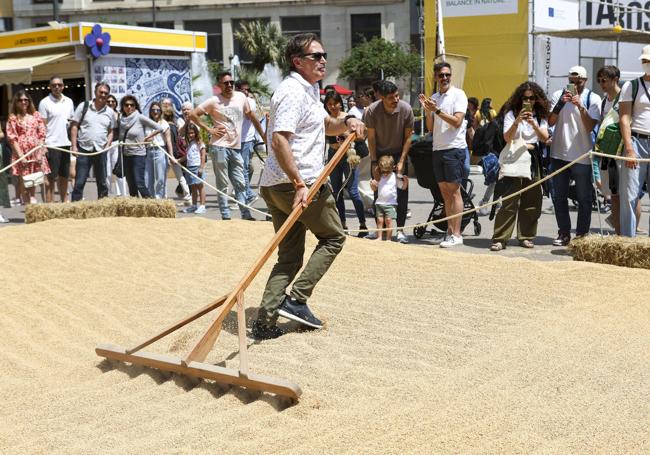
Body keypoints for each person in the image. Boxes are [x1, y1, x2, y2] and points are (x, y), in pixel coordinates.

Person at [251, 32, 365, 340]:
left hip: (278, 184)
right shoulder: (292, 91)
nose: (323, 60)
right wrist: (300, 183)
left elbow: (325, 125)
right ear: (297, 61)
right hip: (299, 184)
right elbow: (278, 140)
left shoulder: (309, 91)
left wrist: (348, 122)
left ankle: (265, 321)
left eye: (324, 55)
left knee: (289, 256)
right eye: (316, 56)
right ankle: (297, 300)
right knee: (334, 238)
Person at [190, 71, 265, 220]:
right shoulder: (213, 101)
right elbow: (193, 114)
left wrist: (263, 136)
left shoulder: (241, 97)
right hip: (219, 146)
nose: (229, 85)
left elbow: (252, 116)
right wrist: (209, 129)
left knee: (241, 182)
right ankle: (225, 215)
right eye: (226, 83)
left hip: (236, 147)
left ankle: (245, 213)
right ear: (219, 85)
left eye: (231, 82)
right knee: (222, 182)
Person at [490, 82, 549, 251]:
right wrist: (517, 121)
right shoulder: (511, 114)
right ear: (519, 98)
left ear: (536, 100)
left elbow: (544, 138)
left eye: (532, 98)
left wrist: (533, 124)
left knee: (532, 199)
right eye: (525, 98)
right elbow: (507, 137)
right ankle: (501, 237)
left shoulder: (539, 116)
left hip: (533, 157)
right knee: (510, 199)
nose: (528, 101)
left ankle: (526, 236)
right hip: (515, 156)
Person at [548, 65, 601, 246]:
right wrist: (561, 104)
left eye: (577, 82)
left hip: (582, 156)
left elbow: (589, 127)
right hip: (559, 153)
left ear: (585, 81)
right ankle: (564, 232)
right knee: (559, 197)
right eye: (571, 81)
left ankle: (581, 235)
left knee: (584, 198)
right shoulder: (557, 95)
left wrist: (580, 106)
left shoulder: (593, 98)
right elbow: (550, 121)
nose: (574, 85)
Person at [419, 62, 468, 248]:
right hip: (438, 148)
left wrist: (437, 110)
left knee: (455, 192)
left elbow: (456, 121)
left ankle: (457, 233)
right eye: (441, 75)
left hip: (454, 148)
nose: (445, 78)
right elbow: (431, 128)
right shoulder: (435, 97)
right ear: (436, 77)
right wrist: (427, 110)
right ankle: (450, 231)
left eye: (447, 74)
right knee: (445, 193)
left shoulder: (458, 94)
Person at [364, 81, 414, 243]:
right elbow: (371, 137)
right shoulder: (372, 111)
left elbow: (408, 138)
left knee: (401, 192)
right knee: (379, 192)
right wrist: (373, 161)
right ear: (382, 97)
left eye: (397, 95)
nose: (396, 99)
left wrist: (402, 160)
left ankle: (399, 230)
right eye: (391, 97)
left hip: (399, 152)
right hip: (380, 154)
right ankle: (380, 231)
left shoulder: (406, 109)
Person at [323, 91, 368, 235]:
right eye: (329, 104)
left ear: (340, 103)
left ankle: (363, 224)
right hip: (333, 155)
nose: (332, 106)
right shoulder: (327, 119)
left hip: (348, 155)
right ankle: (342, 225)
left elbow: (362, 132)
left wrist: (345, 133)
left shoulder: (348, 118)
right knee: (337, 192)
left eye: (335, 103)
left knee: (354, 191)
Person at [618, 46, 650, 237]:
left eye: (649, 61)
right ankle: (628, 240)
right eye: (644, 61)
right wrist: (629, 147)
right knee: (630, 194)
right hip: (637, 141)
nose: (647, 64)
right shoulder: (632, 85)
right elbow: (624, 117)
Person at [70, 82, 116, 202]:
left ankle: (103, 206)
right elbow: (74, 126)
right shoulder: (84, 106)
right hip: (84, 149)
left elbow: (111, 131)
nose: (103, 95)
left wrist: (108, 144)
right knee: (80, 180)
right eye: (101, 92)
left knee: (102, 181)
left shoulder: (110, 112)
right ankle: (75, 206)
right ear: (95, 92)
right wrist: (74, 145)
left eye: (106, 93)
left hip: (101, 150)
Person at [5, 91, 49, 205]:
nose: (23, 102)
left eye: (26, 100)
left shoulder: (36, 115)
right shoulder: (13, 118)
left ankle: (34, 202)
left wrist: (39, 152)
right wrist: (21, 156)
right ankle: (28, 207)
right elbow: (12, 138)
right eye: (20, 100)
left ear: (29, 101)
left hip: (35, 151)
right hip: (21, 153)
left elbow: (42, 134)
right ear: (16, 102)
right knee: (24, 182)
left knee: (36, 180)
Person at [118, 95, 165, 198]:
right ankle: (136, 209)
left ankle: (150, 205)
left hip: (138, 155)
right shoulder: (121, 119)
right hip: (126, 155)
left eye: (132, 105)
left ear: (135, 106)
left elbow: (159, 128)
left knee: (139, 182)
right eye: (126, 105)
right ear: (123, 106)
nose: (129, 107)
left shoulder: (139, 117)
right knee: (131, 185)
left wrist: (147, 137)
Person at [594, 65, 622, 234]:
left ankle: (624, 232)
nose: (601, 84)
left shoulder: (624, 98)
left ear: (615, 79)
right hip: (607, 154)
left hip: (622, 153)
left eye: (604, 80)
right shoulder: (604, 101)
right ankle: (618, 231)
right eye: (599, 80)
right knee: (612, 194)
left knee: (626, 196)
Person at [38, 75, 75, 203]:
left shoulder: (69, 101)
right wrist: (42, 146)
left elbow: (71, 123)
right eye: (54, 85)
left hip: (65, 143)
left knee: (64, 177)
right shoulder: (44, 102)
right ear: (50, 87)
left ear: (63, 86)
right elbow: (41, 126)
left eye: (59, 85)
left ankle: (64, 203)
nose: (56, 87)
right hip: (51, 144)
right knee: (50, 178)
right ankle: (50, 206)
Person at [235, 79, 261, 205]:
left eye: (247, 89)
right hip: (236, 140)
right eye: (242, 89)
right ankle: (243, 193)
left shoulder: (250, 101)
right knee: (241, 169)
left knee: (243, 168)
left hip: (247, 140)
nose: (245, 91)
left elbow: (247, 115)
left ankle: (248, 194)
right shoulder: (234, 101)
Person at [370, 155, 406, 241]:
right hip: (379, 203)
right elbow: (374, 189)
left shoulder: (394, 177)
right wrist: (372, 185)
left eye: (387, 171)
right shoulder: (379, 177)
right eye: (383, 171)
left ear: (393, 168)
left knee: (389, 221)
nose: (385, 173)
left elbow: (403, 187)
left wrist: (406, 181)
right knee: (379, 221)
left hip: (391, 204)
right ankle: (379, 237)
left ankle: (389, 239)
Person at [162, 107, 191, 205]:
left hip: (167, 154)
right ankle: (187, 196)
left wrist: (170, 156)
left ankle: (164, 196)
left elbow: (170, 143)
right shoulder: (175, 126)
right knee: (180, 177)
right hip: (175, 154)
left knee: (163, 177)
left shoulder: (166, 126)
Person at [145, 102, 172, 199]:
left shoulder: (164, 123)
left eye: (157, 110)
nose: (155, 112)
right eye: (153, 110)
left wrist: (170, 156)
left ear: (160, 111)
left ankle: (159, 198)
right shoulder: (147, 123)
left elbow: (168, 141)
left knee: (160, 178)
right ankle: (150, 199)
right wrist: (146, 139)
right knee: (148, 179)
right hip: (148, 151)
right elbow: (143, 138)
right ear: (150, 111)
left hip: (160, 151)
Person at [181, 123, 207, 214]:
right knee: (193, 188)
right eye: (189, 133)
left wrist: (201, 167)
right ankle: (194, 205)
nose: (191, 135)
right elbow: (186, 156)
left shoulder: (200, 143)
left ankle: (202, 205)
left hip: (197, 167)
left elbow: (203, 156)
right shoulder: (189, 144)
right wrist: (178, 160)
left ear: (196, 132)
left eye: (192, 133)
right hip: (190, 167)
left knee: (200, 186)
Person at [104, 94, 126, 196]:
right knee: (107, 172)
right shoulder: (102, 114)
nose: (111, 103)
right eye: (108, 101)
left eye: (113, 101)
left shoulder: (120, 114)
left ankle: (122, 194)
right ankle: (108, 193)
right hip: (105, 144)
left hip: (117, 143)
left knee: (118, 169)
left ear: (116, 103)